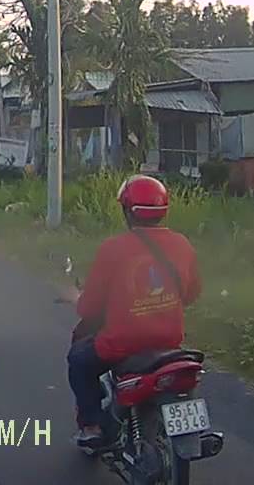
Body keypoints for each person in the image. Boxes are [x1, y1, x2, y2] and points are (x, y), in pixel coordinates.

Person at [67, 174, 201, 447]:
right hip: (169, 342)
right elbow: (190, 294)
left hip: (121, 344)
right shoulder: (182, 244)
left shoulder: (112, 248)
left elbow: (89, 308)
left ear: (128, 211)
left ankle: (92, 426)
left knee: (79, 361)